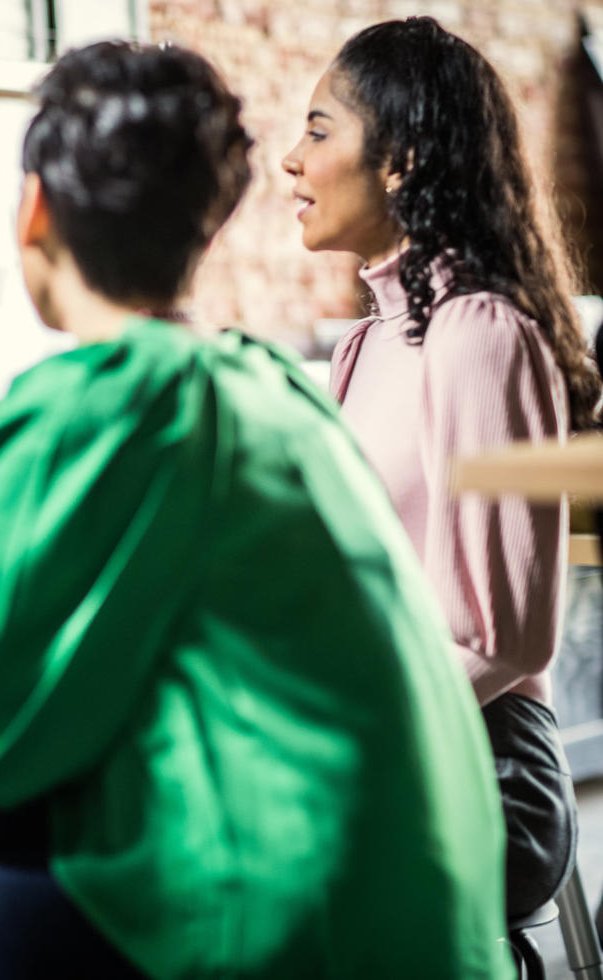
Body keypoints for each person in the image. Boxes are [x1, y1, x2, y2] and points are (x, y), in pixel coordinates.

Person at [0, 40, 511, 980]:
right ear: (208, 224)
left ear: (35, 211)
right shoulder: (274, 387)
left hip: (305, 917)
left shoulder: (106, 398)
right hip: (434, 917)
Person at [282, 15, 600, 921]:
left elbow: (506, 641)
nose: (289, 162)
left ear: (402, 160)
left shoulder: (480, 334)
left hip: (483, 765)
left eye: (316, 129)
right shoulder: (368, 342)